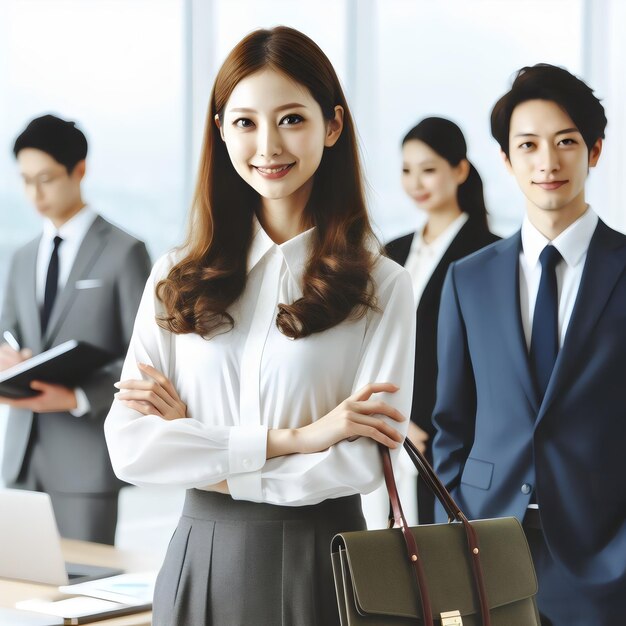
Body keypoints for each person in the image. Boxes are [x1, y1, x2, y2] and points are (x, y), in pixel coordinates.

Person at [104, 26, 414, 625]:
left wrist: (198, 442)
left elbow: (358, 465)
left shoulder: (382, 285)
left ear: (332, 126)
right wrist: (299, 438)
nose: (268, 144)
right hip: (200, 559)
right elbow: (132, 449)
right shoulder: (177, 275)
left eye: (291, 118)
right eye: (245, 122)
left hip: (325, 565)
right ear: (220, 131)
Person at [432, 63, 625, 625]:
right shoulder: (468, 278)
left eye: (566, 141)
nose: (548, 160)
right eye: (529, 144)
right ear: (506, 159)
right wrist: (457, 530)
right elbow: (451, 423)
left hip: (604, 560)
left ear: (594, 151)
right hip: (489, 553)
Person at [0, 114, 151, 545]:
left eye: (45, 178)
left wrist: (78, 396)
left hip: (86, 460)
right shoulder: (22, 257)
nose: (35, 193)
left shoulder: (125, 253)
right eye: (26, 180)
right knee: (24, 600)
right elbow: (7, 331)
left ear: (78, 170)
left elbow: (145, 358)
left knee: (86, 594)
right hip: (22, 458)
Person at [385, 117, 498, 524]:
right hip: (392, 433)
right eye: (406, 170)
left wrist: (419, 422)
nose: (416, 182)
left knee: (445, 565)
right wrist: (393, 418)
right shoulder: (391, 252)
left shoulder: (490, 254)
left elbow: (486, 359)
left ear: (460, 170)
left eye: (428, 169)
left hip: (450, 438)